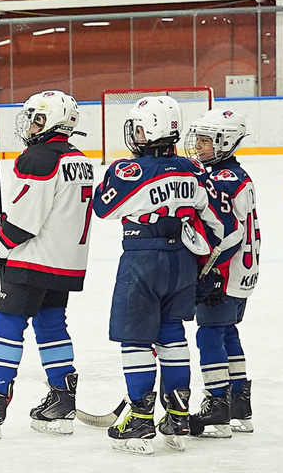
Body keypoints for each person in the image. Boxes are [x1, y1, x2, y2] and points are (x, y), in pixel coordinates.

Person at [0, 90, 98, 437]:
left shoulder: (37, 158)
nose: (30, 125)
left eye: (36, 118)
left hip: (34, 260)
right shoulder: (80, 159)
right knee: (51, 323)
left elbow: (26, 223)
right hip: (66, 262)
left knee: (6, 322)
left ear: (51, 121)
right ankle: (61, 402)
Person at [90, 95, 222, 453]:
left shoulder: (127, 170)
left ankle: (140, 419)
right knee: (171, 333)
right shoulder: (192, 169)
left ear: (148, 130)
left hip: (143, 259)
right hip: (182, 261)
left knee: (135, 338)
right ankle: (178, 415)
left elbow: (104, 207)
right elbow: (216, 223)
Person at [186, 107, 261, 436]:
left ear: (225, 142)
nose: (199, 146)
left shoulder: (223, 180)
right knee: (228, 333)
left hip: (224, 271)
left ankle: (217, 403)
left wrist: (209, 271)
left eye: (206, 141)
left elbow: (224, 232)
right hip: (242, 272)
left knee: (210, 335)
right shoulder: (234, 175)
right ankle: (239, 404)